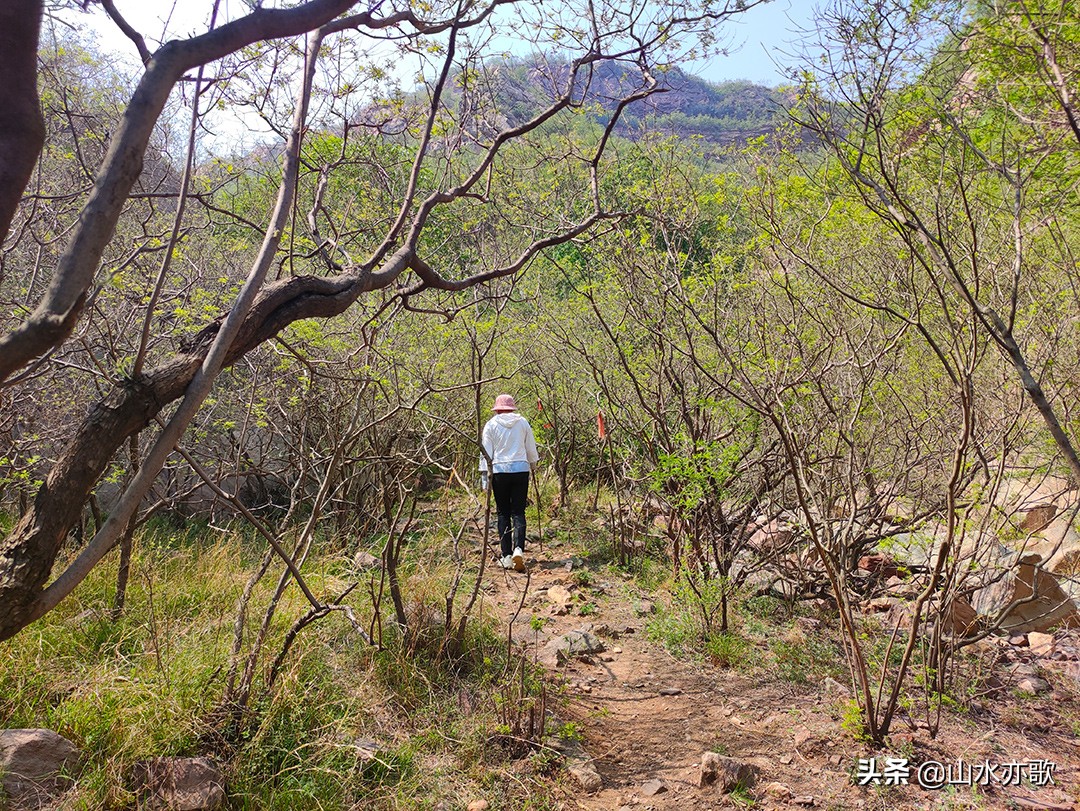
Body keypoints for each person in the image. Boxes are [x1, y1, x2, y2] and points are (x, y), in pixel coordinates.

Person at [480, 394, 539, 571]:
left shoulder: (491, 425)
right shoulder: (523, 423)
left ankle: (506, 555)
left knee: (503, 513)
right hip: (521, 470)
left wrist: (485, 478)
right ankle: (519, 549)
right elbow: (530, 447)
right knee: (518, 511)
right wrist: (533, 465)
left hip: (500, 471)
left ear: (497, 409)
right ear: (513, 408)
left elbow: (486, 453)